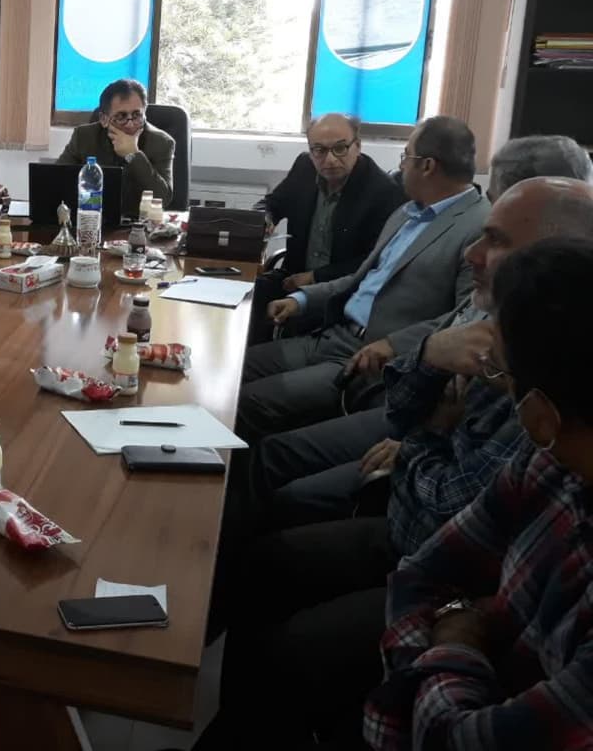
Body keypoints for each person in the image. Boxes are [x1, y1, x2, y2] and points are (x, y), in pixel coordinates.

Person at [195, 177, 593, 751]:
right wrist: (429, 359)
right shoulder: (550, 458)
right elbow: (431, 547)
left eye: (496, 241)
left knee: (294, 651)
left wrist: (456, 634)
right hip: (432, 548)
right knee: (266, 566)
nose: (472, 254)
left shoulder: (538, 381)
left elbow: (435, 510)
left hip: (442, 569)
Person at [250, 134, 593, 527]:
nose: (477, 250)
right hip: (384, 377)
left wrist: (420, 437)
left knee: (272, 460)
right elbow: (372, 296)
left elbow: (465, 495)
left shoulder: (540, 333)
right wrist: (429, 353)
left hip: (412, 452)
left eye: (406, 156)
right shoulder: (408, 215)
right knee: (245, 387)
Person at [365, 236, 593, 749]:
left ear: (539, 416)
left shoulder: (543, 448)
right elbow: (420, 574)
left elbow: (452, 739)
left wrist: (456, 639)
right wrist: (449, 634)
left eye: (498, 372)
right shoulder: (548, 462)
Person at [237, 117, 488, 441]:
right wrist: (301, 299)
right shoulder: (409, 214)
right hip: (335, 333)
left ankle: (236, 469)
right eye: (319, 150)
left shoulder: (478, 228)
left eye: (405, 156)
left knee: (246, 402)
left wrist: (393, 345)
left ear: (427, 166)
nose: (400, 166)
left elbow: (466, 322)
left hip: (370, 356)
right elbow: (360, 279)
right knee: (231, 369)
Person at [249, 113, 406, 344]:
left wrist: (316, 277)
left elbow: (374, 261)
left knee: (287, 330)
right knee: (245, 297)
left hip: (339, 291)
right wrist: (265, 218)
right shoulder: (304, 166)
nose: (330, 159)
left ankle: (264, 359)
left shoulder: (383, 191)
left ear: (357, 146)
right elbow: (272, 203)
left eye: (340, 148)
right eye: (319, 150)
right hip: (292, 276)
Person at [56, 78, 174, 214]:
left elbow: (163, 199)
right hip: (92, 217)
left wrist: (133, 155)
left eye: (137, 115)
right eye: (121, 116)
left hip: (139, 222)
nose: (130, 124)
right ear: (104, 119)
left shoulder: (161, 142)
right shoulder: (84, 137)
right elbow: (57, 181)